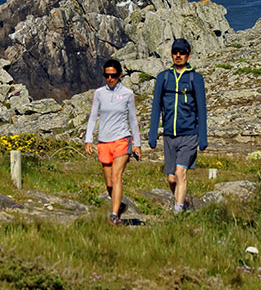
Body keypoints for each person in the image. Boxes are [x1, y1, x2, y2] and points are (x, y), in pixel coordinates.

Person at [147, 38, 207, 214]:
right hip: (168, 135)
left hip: (189, 135)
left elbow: (202, 110)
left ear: (188, 54)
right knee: (172, 179)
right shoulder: (163, 77)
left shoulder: (195, 79)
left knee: (181, 173)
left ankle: (177, 213)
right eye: (175, 52)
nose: (178, 55)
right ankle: (181, 203)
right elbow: (156, 107)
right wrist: (152, 134)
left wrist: (202, 137)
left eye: (182, 52)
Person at [84, 58, 141, 224]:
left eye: (114, 76)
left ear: (120, 75)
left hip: (122, 140)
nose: (110, 79)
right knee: (109, 183)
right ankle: (120, 206)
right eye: (107, 75)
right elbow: (93, 117)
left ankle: (114, 216)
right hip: (104, 142)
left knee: (117, 177)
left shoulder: (128, 94)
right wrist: (88, 140)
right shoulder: (99, 93)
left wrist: (136, 144)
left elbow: (133, 119)